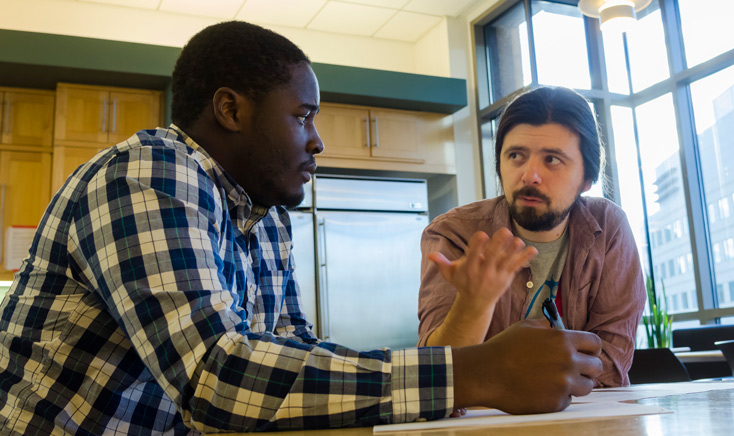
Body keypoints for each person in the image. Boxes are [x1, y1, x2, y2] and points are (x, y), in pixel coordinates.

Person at [0, 22, 603, 435]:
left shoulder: (266, 220)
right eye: (303, 115)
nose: (318, 141)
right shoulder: (150, 174)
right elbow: (216, 376)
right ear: (231, 109)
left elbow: (292, 355)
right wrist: (476, 371)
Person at [418, 86, 646, 387]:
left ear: (587, 179)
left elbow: (610, 366)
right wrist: (473, 305)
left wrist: (501, 380)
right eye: (515, 156)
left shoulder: (609, 228)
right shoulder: (455, 234)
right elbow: (436, 377)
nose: (529, 175)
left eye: (551, 160)